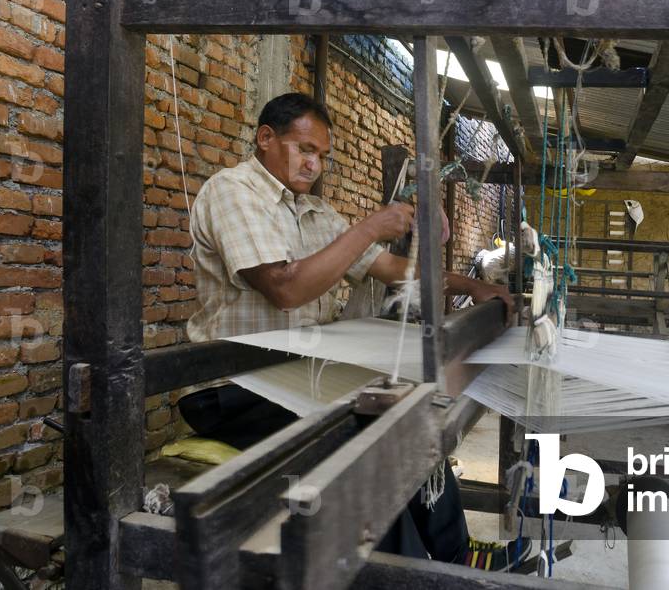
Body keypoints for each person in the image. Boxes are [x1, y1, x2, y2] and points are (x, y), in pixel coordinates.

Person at [180, 92, 529, 570]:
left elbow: (388, 267)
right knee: (365, 447)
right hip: (235, 389)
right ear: (265, 138)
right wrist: (369, 228)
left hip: (300, 376)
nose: (313, 164)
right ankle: (403, 574)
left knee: (408, 413)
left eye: (321, 155)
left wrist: (474, 285)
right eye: (304, 149)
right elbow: (284, 287)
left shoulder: (316, 214)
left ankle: (456, 555)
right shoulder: (233, 192)